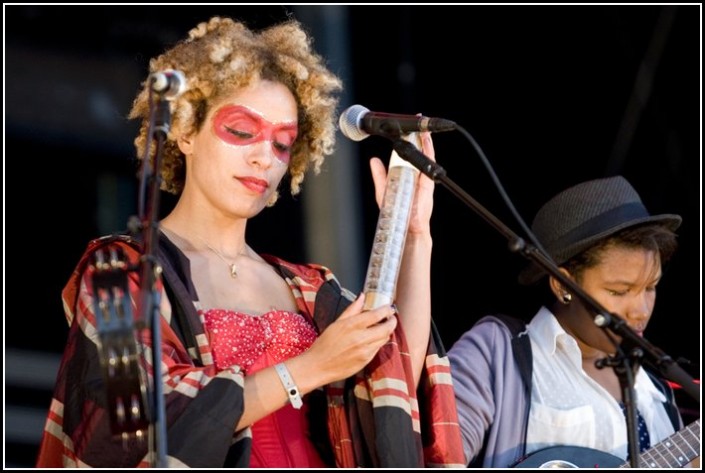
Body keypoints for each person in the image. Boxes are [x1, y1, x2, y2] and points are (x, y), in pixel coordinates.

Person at [35, 16, 465, 468]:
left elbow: (393, 378)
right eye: (242, 131)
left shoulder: (309, 287)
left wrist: (416, 235)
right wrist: (310, 367)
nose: (264, 157)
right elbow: (122, 427)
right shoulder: (113, 269)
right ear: (184, 130)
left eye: (282, 144)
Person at [448, 175, 698, 468]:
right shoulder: (498, 352)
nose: (641, 310)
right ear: (562, 284)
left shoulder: (659, 395)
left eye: (650, 287)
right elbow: (433, 455)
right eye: (619, 291)